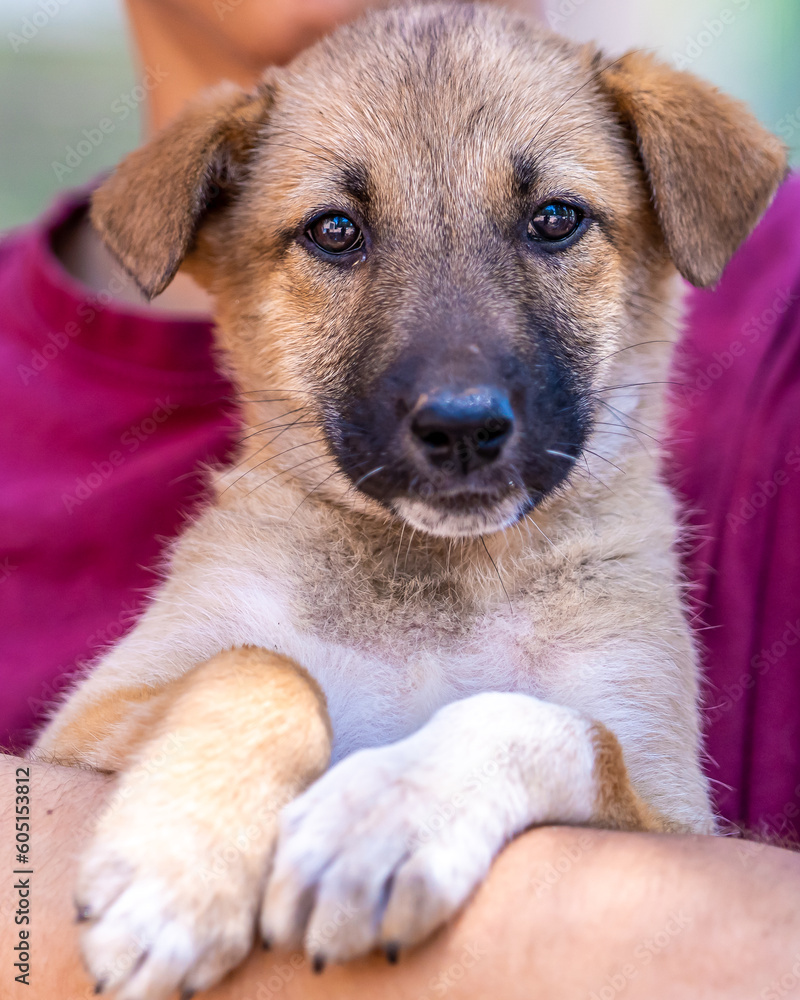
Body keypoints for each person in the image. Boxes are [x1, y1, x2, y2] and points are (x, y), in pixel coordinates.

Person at [1, 0, 800, 996]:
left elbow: (668, 840)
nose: (458, 395)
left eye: (552, 222)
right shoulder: (247, 575)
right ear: (215, 259)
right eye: (337, 234)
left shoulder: (636, 567)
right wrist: (241, 719)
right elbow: (66, 793)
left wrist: (522, 754)